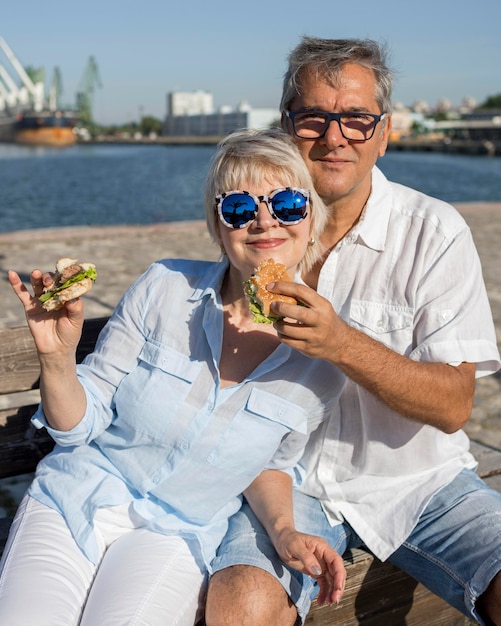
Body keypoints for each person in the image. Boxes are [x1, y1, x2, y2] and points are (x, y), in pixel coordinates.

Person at [205, 37, 501, 626]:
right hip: (283, 490)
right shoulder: (256, 229)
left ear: (383, 132)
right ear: (287, 128)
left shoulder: (434, 233)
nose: (335, 136)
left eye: (357, 120)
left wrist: (340, 342)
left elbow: (453, 405)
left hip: (419, 486)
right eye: (314, 117)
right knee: (241, 604)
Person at [0, 128, 348, 626]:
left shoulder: (324, 359)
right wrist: (57, 359)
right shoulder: (164, 286)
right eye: (239, 208)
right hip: (79, 495)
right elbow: (78, 425)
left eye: (288, 203)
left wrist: (286, 531)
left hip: (178, 531)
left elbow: (268, 464)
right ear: (218, 223)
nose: (264, 221)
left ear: (311, 219)